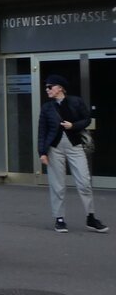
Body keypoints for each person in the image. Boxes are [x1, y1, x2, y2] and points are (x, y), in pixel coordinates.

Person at [38, 74, 107, 234]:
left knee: (84, 182)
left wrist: (73, 125)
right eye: (46, 87)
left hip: (75, 146)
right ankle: (59, 219)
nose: (47, 89)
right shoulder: (47, 107)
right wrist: (42, 152)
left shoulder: (76, 102)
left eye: (50, 86)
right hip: (54, 148)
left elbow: (87, 120)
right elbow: (42, 130)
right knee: (58, 185)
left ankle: (91, 217)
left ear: (60, 88)